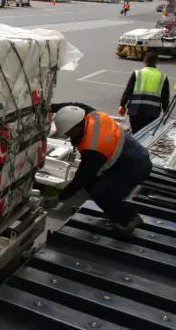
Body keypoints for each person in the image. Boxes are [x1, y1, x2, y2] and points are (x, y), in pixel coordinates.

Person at [44, 103, 152, 233]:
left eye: (68, 132)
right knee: (95, 186)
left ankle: (129, 220)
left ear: (77, 128)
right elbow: (76, 106)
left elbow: (81, 179)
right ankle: (117, 211)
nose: (68, 136)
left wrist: (59, 198)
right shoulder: (92, 116)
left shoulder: (93, 149)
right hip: (131, 155)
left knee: (100, 190)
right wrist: (52, 107)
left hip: (134, 167)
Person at [119, 51, 170, 133]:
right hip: (152, 113)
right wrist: (165, 110)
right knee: (147, 135)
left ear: (144, 61)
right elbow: (165, 97)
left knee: (135, 134)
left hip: (135, 111)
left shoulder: (137, 73)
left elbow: (128, 91)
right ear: (157, 62)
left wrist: (122, 105)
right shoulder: (162, 77)